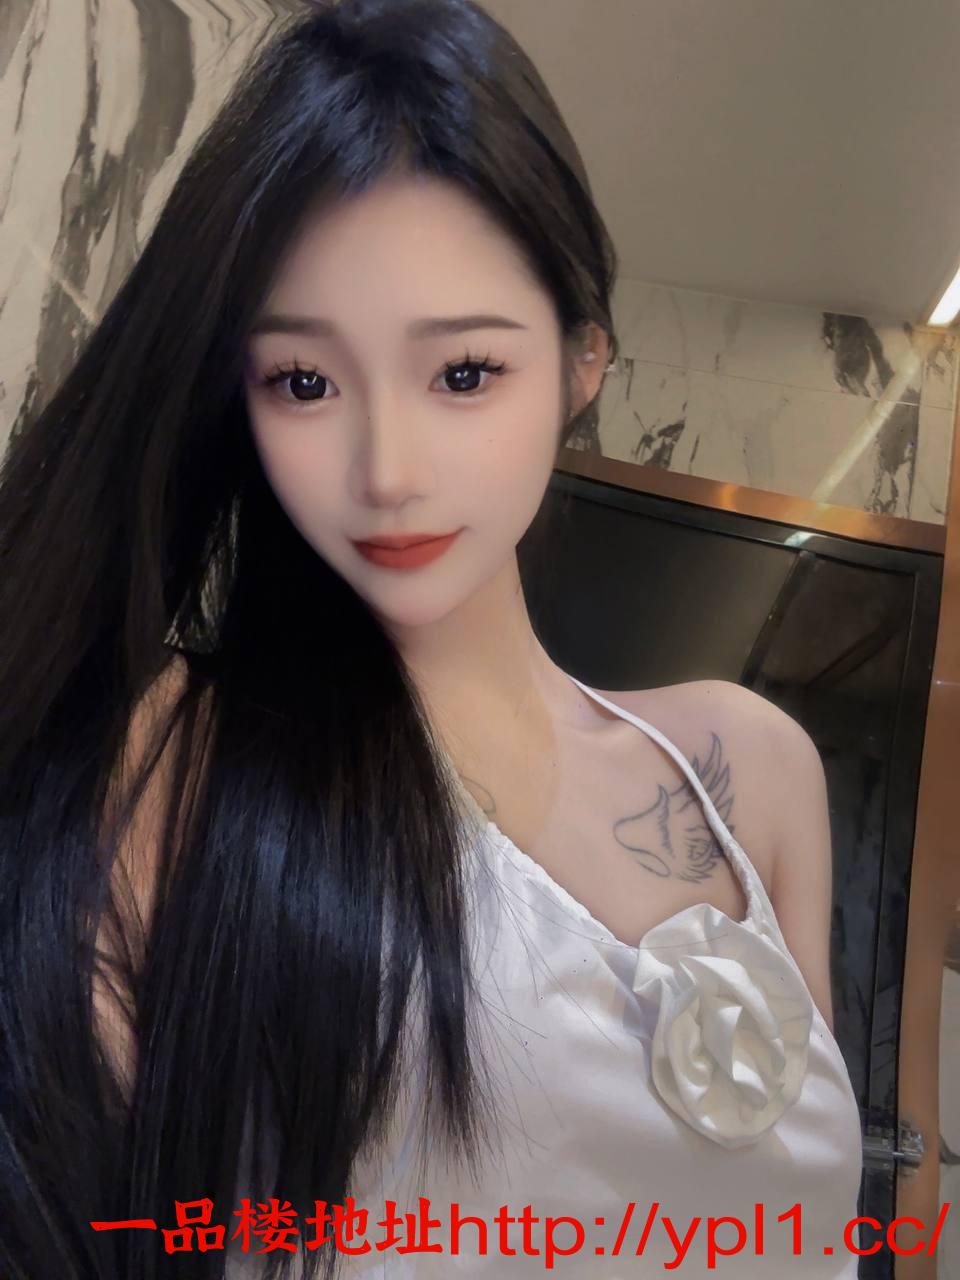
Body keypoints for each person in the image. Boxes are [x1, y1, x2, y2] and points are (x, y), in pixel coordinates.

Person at [0, 1, 863, 1276]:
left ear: (582, 361)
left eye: (463, 373)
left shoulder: (750, 768)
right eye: (305, 381)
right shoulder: (182, 766)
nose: (386, 471)